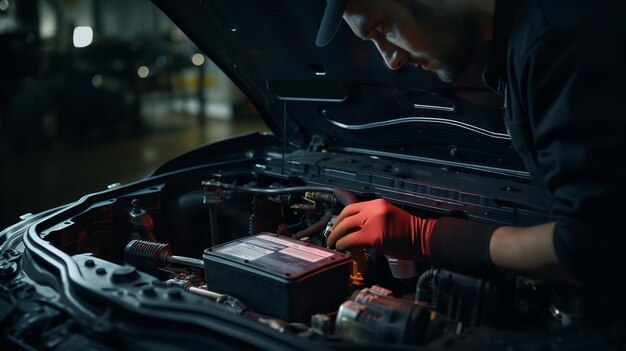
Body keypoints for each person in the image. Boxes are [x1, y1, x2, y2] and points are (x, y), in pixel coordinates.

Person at [318, 0, 626, 292]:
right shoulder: (524, 35)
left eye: (383, 28)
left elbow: (587, 248)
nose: (392, 61)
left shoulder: (557, 37)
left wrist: (424, 236)